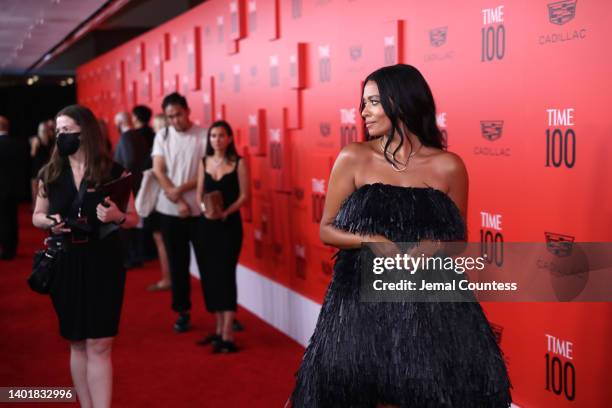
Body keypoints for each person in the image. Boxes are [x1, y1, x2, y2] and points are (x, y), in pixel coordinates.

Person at [290, 65, 512, 407]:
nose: (363, 112)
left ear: (402, 102)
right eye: (363, 103)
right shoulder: (354, 157)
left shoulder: (449, 166)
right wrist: (371, 241)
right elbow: (327, 228)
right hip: (358, 306)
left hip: (431, 307)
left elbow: (459, 238)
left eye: (373, 102)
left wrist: (431, 248)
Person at [32, 105, 138, 408]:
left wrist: (117, 215)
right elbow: (36, 217)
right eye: (58, 130)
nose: (61, 136)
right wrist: (50, 221)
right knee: (77, 342)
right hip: (66, 262)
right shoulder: (51, 173)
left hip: (104, 262)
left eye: (67, 130)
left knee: (101, 343)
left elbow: (133, 219)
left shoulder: (114, 172)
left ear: (86, 131)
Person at [152, 92, 207, 332]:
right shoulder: (162, 135)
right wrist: (175, 197)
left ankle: (221, 311)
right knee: (178, 264)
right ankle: (182, 312)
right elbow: (158, 169)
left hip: (199, 211)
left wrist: (180, 191)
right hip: (169, 211)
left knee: (208, 263)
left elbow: (207, 172)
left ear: (188, 111)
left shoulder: (204, 136)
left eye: (178, 114)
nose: (175, 120)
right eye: (170, 116)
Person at [195, 120, 249, 353]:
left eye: (221, 135)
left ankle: (228, 332)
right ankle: (217, 329)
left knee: (226, 276)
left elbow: (245, 196)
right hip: (206, 226)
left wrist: (226, 211)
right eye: (213, 136)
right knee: (210, 277)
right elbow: (199, 193)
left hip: (229, 226)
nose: (216, 139)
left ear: (229, 138)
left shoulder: (239, 163)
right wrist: (205, 208)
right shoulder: (203, 162)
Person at [114, 107, 152, 269]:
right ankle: (135, 255)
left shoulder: (126, 137)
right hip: (137, 184)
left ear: (121, 123)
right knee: (136, 223)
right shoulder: (137, 135)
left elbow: (128, 163)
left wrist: (120, 181)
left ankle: (131, 257)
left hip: (129, 186)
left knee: (129, 224)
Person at [145, 113, 171, 291]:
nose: (153, 128)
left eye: (156, 125)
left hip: (162, 198)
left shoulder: (162, 145)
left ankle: (167, 278)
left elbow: (159, 172)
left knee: (161, 239)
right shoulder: (163, 143)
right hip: (164, 197)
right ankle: (168, 277)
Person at [0, 115, 20, 260]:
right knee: (12, 219)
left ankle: (5, 249)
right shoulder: (16, 144)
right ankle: (11, 248)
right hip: (14, 188)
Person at [30, 121, 56, 208]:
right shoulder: (50, 140)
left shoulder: (36, 139)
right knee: (45, 186)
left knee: (35, 186)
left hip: (37, 165)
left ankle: (35, 205)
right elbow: (52, 153)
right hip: (46, 164)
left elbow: (33, 153)